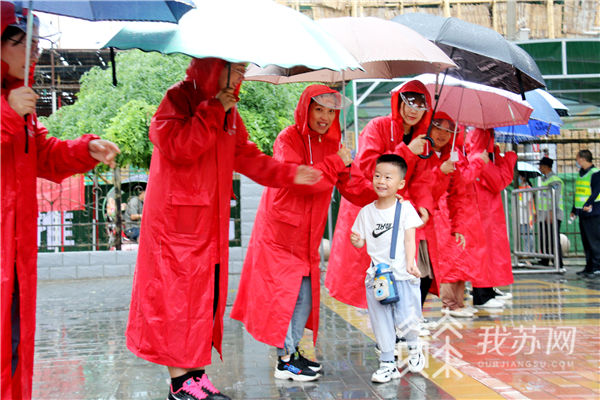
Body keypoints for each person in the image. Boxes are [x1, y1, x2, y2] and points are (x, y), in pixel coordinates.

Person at [125, 58, 321, 400]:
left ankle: (195, 374)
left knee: (204, 298)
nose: (243, 76)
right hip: (175, 228)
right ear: (218, 67)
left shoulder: (230, 112)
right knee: (175, 301)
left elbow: (245, 156)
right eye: (239, 69)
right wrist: (212, 110)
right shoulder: (179, 99)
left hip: (207, 227)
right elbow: (179, 147)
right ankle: (179, 384)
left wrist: (290, 174)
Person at [1, 4, 120, 398]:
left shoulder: (21, 105)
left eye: (35, 44)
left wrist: (87, 150)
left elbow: (45, 156)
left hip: (17, 253)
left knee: (14, 345)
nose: (32, 52)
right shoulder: (12, 106)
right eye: (21, 43)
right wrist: (6, 114)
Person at [231, 85, 354, 382]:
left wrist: (382, 188)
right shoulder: (288, 137)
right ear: (305, 109)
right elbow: (303, 180)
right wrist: (339, 161)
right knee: (283, 298)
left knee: (305, 299)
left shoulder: (335, 142)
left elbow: (350, 183)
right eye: (318, 109)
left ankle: (292, 352)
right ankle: (285, 360)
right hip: (280, 233)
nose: (325, 116)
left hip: (307, 237)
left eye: (330, 110)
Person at [325, 80, 433, 313]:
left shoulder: (423, 139)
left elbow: (423, 179)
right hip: (372, 208)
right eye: (409, 102)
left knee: (409, 271)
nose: (413, 109)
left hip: (401, 211)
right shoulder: (378, 126)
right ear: (399, 103)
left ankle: (399, 326)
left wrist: (424, 205)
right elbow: (368, 167)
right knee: (379, 274)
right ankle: (388, 332)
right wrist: (407, 151)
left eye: (420, 104)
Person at [350, 154, 425, 383]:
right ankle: (387, 363)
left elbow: (411, 239)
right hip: (377, 277)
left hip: (402, 275)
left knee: (408, 318)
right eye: (377, 176)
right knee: (380, 321)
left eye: (388, 177)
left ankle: (414, 348)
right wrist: (357, 242)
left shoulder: (405, 209)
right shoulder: (366, 212)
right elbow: (361, 240)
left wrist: (411, 263)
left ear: (400, 184)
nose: (381, 181)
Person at [466, 128, 517, 308]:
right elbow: (498, 181)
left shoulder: (483, 145)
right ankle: (482, 294)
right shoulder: (481, 148)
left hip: (485, 205)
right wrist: (508, 159)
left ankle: (486, 291)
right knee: (484, 249)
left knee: (488, 249)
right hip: (482, 205)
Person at [571, 149, 600, 278]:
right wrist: (574, 210)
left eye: (577, 158)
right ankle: (589, 267)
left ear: (583, 159)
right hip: (582, 213)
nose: (576, 161)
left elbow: (596, 192)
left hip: (593, 212)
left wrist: (588, 204)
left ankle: (597, 267)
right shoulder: (580, 173)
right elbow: (578, 193)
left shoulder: (595, 173)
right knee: (586, 241)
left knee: (594, 241)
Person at [538, 156, 564, 267]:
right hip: (543, 214)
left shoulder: (555, 180)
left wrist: (551, 212)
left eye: (541, 166)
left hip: (553, 214)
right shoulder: (543, 180)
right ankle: (545, 259)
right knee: (544, 237)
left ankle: (558, 262)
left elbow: (556, 197)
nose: (539, 168)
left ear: (546, 167)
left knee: (553, 238)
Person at [517, 172, 536, 255]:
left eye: (519, 177)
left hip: (527, 215)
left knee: (527, 236)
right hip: (521, 216)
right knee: (524, 235)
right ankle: (527, 252)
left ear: (523, 177)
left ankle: (528, 253)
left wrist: (517, 203)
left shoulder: (528, 188)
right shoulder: (519, 187)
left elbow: (525, 202)